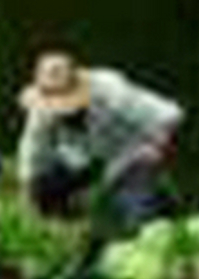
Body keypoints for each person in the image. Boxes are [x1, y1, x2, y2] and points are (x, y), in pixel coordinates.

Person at [14, 52, 184, 239]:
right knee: (43, 188)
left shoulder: (112, 92)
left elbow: (168, 116)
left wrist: (157, 149)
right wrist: (30, 197)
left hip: (130, 154)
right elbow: (32, 154)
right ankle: (72, 224)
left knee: (139, 213)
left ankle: (155, 218)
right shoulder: (42, 110)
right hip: (83, 158)